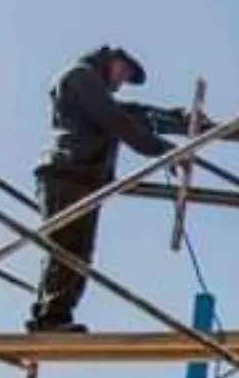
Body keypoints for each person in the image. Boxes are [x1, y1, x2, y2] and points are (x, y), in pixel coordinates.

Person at [29, 46, 192, 333]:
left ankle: (55, 315)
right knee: (65, 247)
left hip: (82, 177)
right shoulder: (81, 76)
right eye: (123, 74)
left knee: (77, 251)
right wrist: (161, 149)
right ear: (112, 61)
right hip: (67, 173)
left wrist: (172, 117)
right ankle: (49, 317)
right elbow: (116, 120)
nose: (121, 83)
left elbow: (131, 113)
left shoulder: (92, 86)